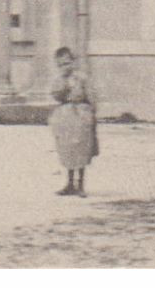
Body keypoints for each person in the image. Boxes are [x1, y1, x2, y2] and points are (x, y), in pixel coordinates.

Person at [49, 46, 99, 197]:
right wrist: (63, 85)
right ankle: (69, 183)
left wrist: (90, 114)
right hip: (65, 116)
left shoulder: (82, 78)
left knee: (81, 150)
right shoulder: (59, 80)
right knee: (67, 150)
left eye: (68, 63)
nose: (66, 67)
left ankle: (81, 184)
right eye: (62, 64)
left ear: (73, 62)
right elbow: (56, 95)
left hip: (81, 114)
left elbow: (91, 97)